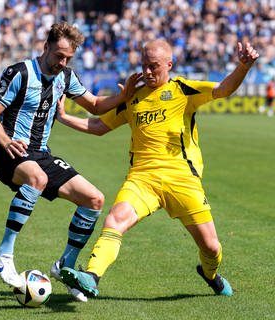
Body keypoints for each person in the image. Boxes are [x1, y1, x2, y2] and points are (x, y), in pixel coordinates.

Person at [57, 39, 259, 299]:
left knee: (210, 247)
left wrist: (242, 67)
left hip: (182, 179)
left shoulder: (183, 90)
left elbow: (222, 89)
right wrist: (64, 118)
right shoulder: (132, 97)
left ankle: (210, 275)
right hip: (142, 179)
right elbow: (98, 127)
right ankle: (91, 276)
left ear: (169, 65)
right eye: (144, 66)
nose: (148, 72)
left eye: (154, 66)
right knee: (114, 220)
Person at [0, 21, 140, 301]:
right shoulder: (19, 72)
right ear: (46, 47)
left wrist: (123, 96)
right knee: (37, 179)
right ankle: (4, 253)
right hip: (6, 150)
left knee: (95, 200)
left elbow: (95, 105)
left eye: (68, 58)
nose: (62, 63)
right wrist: (6, 141)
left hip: (40, 153)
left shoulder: (66, 76)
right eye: (59, 56)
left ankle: (65, 267)